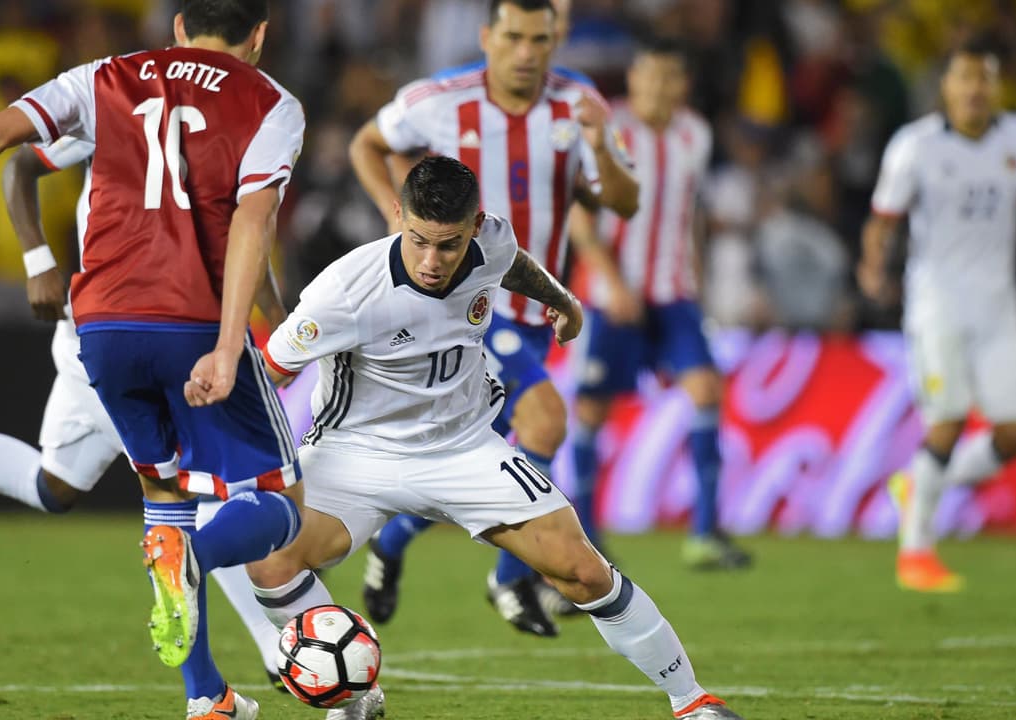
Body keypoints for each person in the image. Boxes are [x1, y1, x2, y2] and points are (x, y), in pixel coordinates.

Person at [0, 2, 306, 718]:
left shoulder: (105, 79)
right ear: (259, 34)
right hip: (191, 323)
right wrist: (234, 345)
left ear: (179, 26)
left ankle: (206, 697)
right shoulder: (270, 103)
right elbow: (252, 223)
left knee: (164, 496)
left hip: (101, 328)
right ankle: (196, 567)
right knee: (280, 506)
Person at [246, 156, 742, 720]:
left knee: (583, 571)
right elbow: (268, 374)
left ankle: (693, 701)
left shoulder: (491, 243)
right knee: (270, 561)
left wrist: (560, 299)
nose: (432, 262)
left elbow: (511, 263)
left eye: (449, 245)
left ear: (475, 226)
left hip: (465, 449)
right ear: (398, 215)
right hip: (355, 453)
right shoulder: (344, 290)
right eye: (419, 241)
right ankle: (356, 696)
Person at [0, 135, 288, 689]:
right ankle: (272, 650)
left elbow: (242, 233)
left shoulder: (219, 120)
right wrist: (37, 260)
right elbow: (18, 164)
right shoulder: (116, 107)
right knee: (202, 489)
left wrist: (278, 319)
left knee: (53, 487)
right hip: (122, 334)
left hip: (142, 333)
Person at [348, 0, 637, 637]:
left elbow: (624, 200)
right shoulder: (439, 100)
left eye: (540, 39)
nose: (527, 52)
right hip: (465, 308)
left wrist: (599, 146)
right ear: (487, 37)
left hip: (536, 310)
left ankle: (391, 543)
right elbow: (368, 143)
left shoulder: (579, 105)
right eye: (514, 37)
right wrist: (398, 220)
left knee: (474, 457)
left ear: (556, 39)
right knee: (546, 420)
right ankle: (510, 580)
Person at [860, 38, 1016, 593]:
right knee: (946, 422)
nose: (975, 89)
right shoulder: (915, 146)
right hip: (937, 306)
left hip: (999, 308)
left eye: (984, 78)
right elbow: (883, 220)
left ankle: (919, 487)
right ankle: (915, 554)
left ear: (997, 86)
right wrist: (873, 266)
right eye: (965, 77)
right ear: (945, 86)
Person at [569, 37, 751, 571]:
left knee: (707, 390)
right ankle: (587, 535)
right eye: (649, 75)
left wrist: (697, 278)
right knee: (591, 411)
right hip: (611, 296)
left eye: (669, 77)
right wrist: (612, 281)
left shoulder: (696, 134)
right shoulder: (606, 130)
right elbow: (580, 217)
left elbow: (689, 213)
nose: (658, 87)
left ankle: (705, 534)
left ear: (683, 84)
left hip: (673, 292)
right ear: (633, 78)